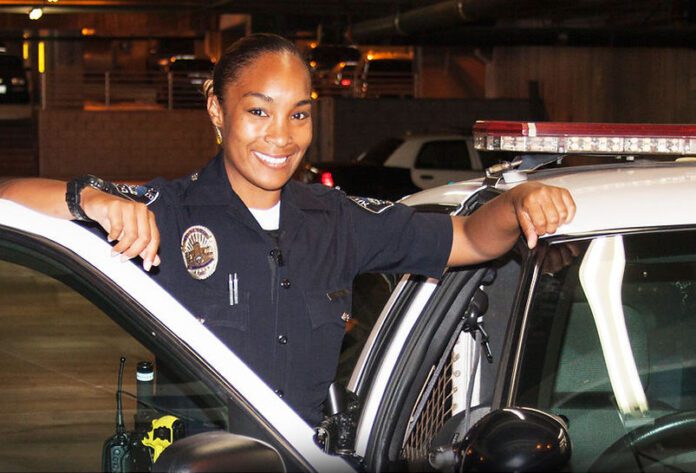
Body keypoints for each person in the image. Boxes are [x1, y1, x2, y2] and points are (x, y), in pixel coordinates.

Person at [0, 33, 575, 425]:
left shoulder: (337, 221)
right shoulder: (167, 213)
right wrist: (89, 199)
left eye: (298, 113)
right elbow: (9, 202)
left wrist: (517, 202)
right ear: (217, 109)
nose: (282, 136)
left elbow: (469, 237)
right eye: (259, 111)